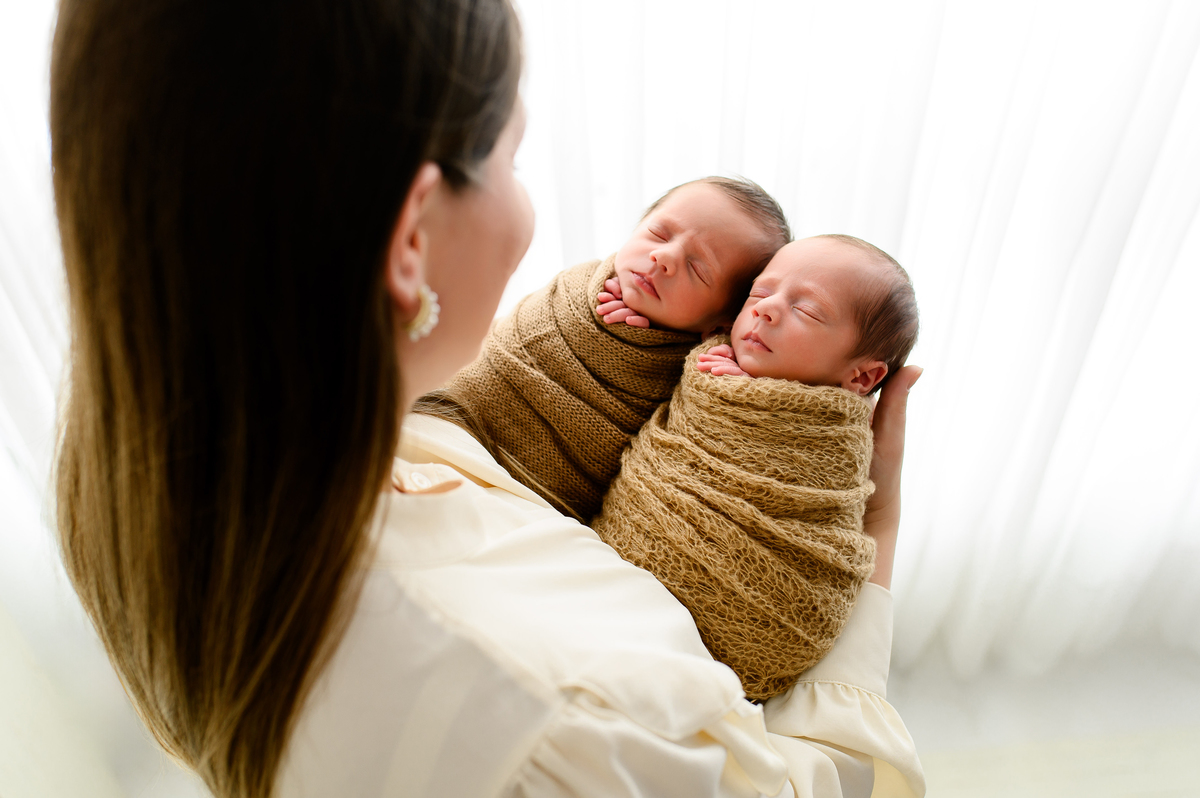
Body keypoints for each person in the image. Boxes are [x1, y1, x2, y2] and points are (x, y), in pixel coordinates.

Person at [50, 1, 925, 797]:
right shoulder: (573, 713)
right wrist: (876, 532)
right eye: (512, 154)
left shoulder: (143, 461)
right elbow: (813, 785)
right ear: (409, 241)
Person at [593, 235, 920, 700]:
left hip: (760, 619)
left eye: (807, 311)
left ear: (862, 378)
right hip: (628, 568)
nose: (766, 311)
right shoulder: (712, 352)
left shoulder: (828, 434)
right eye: (760, 294)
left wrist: (757, 400)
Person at [415, 176, 789, 522]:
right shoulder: (583, 285)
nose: (664, 257)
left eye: (697, 268)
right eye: (658, 233)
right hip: (449, 420)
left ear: (721, 322)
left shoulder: (706, 367)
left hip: (530, 497)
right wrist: (593, 319)